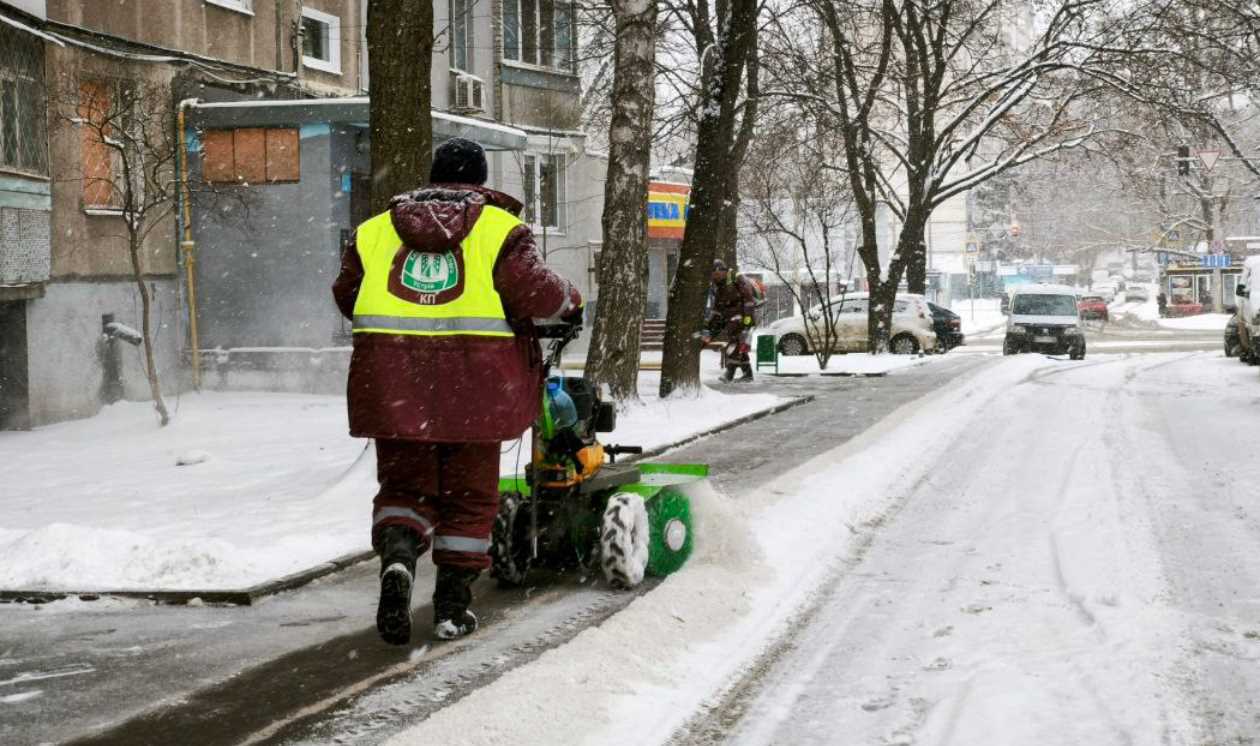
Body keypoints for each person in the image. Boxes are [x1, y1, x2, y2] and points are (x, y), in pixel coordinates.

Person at [332, 137, 582, 645]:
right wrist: (571, 300)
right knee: (469, 497)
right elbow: (535, 292)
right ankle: (451, 606)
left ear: (433, 176)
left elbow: (347, 295)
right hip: (476, 391)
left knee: (405, 488)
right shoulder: (500, 230)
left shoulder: (375, 231)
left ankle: (399, 560)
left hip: (394, 388)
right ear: (481, 180)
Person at [702, 259, 758, 382]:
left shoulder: (736, 279)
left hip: (742, 318)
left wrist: (747, 317)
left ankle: (729, 373)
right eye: (713, 275)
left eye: (716, 274)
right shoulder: (718, 286)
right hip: (731, 319)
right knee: (739, 346)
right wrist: (709, 327)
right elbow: (717, 308)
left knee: (734, 344)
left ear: (722, 271)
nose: (715, 277)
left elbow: (749, 299)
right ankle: (748, 375)